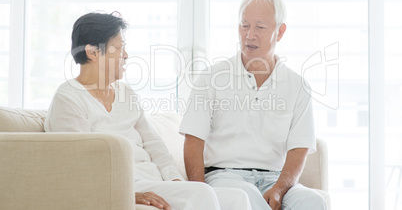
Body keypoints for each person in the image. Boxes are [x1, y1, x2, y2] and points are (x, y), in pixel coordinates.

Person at [44, 12, 252, 210]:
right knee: (201, 194)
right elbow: (76, 165)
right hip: (126, 184)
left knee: (237, 197)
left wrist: (176, 180)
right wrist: (125, 192)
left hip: (156, 182)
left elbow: (154, 144)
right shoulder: (68, 99)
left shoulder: (126, 93)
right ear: (93, 52)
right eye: (119, 47)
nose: (126, 55)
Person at [179, 0, 327, 210]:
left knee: (313, 201)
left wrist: (278, 188)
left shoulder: (297, 85)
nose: (249, 35)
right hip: (224, 177)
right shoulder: (212, 77)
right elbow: (193, 140)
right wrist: (200, 193)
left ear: (280, 32)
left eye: (260, 27)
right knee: (245, 196)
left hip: (275, 180)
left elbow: (299, 148)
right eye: (244, 25)